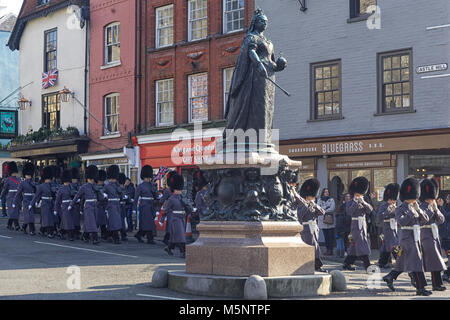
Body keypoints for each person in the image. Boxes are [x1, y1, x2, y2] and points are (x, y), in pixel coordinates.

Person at [224, 8, 287, 146]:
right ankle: (253, 137)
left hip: (268, 77)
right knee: (258, 105)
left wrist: (280, 65)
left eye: (266, 22)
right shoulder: (251, 38)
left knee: (267, 106)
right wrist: (258, 64)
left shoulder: (268, 41)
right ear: (255, 23)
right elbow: (251, 51)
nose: (264, 24)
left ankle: (264, 138)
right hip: (256, 77)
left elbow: (272, 62)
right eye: (261, 21)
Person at [382, 177, 432, 296]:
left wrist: (419, 210)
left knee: (402, 262)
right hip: (406, 238)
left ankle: (390, 277)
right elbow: (402, 222)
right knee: (416, 263)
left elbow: (425, 220)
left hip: (415, 237)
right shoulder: (400, 208)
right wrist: (411, 213)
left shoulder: (417, 206)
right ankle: (420, 288)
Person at [419, 178, 446, 291]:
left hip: (434, 235)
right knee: (434, 260)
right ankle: (434, 284)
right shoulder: (421, 207)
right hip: (425, 235)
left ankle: (437, 283)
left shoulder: (433, 206)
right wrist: (431, 209)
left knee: (437, 259)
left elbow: (441, 220)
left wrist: (437, 210)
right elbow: (423, 220)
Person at [342, 177, 373, 271]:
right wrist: (355, 202)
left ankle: (347, 263)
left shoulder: (364, 201)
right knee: (362, 243)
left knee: (355, 245)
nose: (358, 195)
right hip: (355, 224)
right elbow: (349, 212)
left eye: (359, 194)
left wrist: (363, 202)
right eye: (356, 194)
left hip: (363, 224)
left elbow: (370, 210)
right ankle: (367, 265)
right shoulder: (350, 202)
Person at [297, 178, 326, 272]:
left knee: (315, 246)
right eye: (311, 197)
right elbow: (300, 216)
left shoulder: (313, 204)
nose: (313, 199)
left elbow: (322, 212)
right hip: (306, 228)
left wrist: (315, 205)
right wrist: (306, 205)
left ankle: (313, 265)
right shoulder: (301, 204)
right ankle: (318, 265)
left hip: (314, 228)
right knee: (313, 247)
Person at [69, 165, 101, 245]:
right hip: (88, 206)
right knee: (92, 222)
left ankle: (85, 235)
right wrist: (71, 204)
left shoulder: (95, 186)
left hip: (95, 205)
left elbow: (99, 196)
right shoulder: (84, 187)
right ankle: (94, 238)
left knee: (90, 222)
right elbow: (77, 196)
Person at [163, 172, 191, 258]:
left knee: (176, 236)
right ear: (174, 189)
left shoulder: (182, 197)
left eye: (180, 189)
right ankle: (183, 252)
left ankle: (169, 247)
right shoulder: (171, 199)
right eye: (178, 189)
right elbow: (166, 210)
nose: (180, 191)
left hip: (182, 218)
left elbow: (186, 207)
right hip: (175, 219)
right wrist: (161, 219)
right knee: (181, 236)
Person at [377, 183, 400, 269]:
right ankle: (399, 261)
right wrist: (388, 211)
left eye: (394, 200)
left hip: (394, 227)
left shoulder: (396, 206)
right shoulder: (384, 205)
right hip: (386, 228)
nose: (394, 202)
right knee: (393, 245)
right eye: (392, 200)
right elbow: (380, 216)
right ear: (388, 199)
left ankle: (382, 262)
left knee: (387, 246)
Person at [133, 165, 157, 244]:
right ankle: (150, 238)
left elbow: (154, 195)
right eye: (147, 177)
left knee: (146, 223)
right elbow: (136, 198)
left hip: (151, 205)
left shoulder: (152, 185)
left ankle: (139, 235)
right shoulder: (140, 186)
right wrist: (134, 209)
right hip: (144, 205)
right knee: (148, 222)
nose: (148, 178)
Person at [30, 166, 55, 238]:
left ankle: (42, 230)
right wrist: (32, 203)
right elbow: (36, 196)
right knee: (47, 218)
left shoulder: (52, 185)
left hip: (51, 202)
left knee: (50, 218)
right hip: (45, 203)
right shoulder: (41, 186)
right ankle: (49, 232)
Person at [13, 162, 36, 235]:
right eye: (27, 175)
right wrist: (14, 202)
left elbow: (36, 192)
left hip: (32, 200)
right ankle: (31, 230)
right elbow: (18, 193)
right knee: (28, 215)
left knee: (31, 215)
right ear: (25, 175)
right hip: (26, 200)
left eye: (30, 175)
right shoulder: (22, 183)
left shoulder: (33, 182)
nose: (29, 176)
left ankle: (24, 226)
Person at [103, 165, 124, 244]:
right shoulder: (107, 186)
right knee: (114, 221)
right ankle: (116, 238)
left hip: (117, 204)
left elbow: (121, 194)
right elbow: (102, 195)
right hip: (111, 204)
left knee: (116, 222)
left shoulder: (117, 185)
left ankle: (109, 235)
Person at [54, 169, 75, 241]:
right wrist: (55, 209)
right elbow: (57, 200)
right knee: (68, 221)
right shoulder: (61, 189)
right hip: (64, 206)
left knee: (65, 220)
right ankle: (70, 235)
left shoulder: (71, 187)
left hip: (71, 205)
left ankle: (61, 232)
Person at [1, 161, 21, 230]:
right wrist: (1, 196)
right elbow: (5, 189)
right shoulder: (8, 179)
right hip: (11, 196)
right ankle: (16, 225)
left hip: (17, 196)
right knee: (13, 211)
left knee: (16, 211)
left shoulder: (19, 179)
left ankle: (9, 224)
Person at [317, 188, 336, 256]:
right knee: (326, 237)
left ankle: (331, 250)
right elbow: (318, 207)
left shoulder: (331, 199)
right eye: (325, 192)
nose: (326, 193)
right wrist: (326, 207)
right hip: (323, 220)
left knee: (330, 236)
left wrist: (324, 210)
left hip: (330, 220)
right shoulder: (319, 199)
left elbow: (332, 208)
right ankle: (327, 249)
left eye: (327, 192)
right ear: (323, 193)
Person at [335, 193, 351, 258]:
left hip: (349, 224)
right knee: (344, 239)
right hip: (343, 225)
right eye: (346, 196)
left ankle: (349, 252)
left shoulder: (351, 204)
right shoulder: (341, 205)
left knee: (349, 239)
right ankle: (344, 251)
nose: (348, 198)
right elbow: (338, 214)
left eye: (349, 196)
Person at [96, 170, 108, 240]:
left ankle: (104, 234)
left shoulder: (105, 187)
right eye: (101, 181)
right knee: (96, 222)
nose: (102, 182)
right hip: (97, 206)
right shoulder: (94, 187)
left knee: (103, 222)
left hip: (103, 206)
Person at [70, 168, 82, 239]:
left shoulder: (78, 185)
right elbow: (71, 193)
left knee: (77, 218)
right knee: (72, 218)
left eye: (75, 179)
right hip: (72, 203)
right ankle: (72, 230)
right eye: (73, 179)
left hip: (77, 204)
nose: (75, 180)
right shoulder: (70, 185)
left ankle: (77, 229)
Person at [441, 195, 450, 283]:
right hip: (446, 237)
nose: (446, 200)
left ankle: (446, 274)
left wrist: (440, 206)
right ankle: (446, 274)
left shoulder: (444, 208)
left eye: (447, 199)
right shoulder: (445, 207)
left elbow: (446, 216)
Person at [118, 173, 129, 241]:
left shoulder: (124, 188)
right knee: (119, 220)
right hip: (118, 205)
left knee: (122, 220)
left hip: (123, 206)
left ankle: (123, 234)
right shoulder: (118, 188)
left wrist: (127, 198)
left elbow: (128, 196)